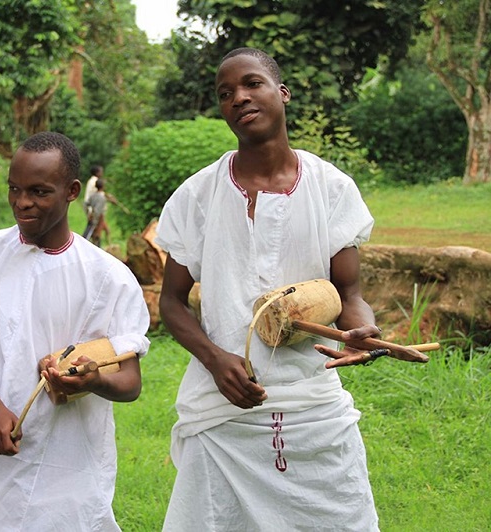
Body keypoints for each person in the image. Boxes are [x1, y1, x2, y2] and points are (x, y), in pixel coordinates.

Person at [155, 48, 428, 531]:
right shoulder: (197, 195)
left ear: (282, 93)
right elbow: (172, 302)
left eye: (252, 84)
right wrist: (216, 360)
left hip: (313, 406)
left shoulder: (331, 188)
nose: (239, 97)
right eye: (225, 93)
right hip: (223, 412)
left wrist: (362, 329)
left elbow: (349, 291)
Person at [0, 131, 150, 531]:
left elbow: (131, 382)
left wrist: (94, 378)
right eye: (14, 189)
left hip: (67, 462)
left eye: (38, 191)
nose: (22, 202)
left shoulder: (108, 278)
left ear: (72, 191)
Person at [82, 178, 108, 245]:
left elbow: (85, 204)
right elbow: (98, 211)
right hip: (97, 219)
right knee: (94, 235)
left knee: (89, 233)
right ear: (103, 186)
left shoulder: (93, 195)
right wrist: (96, 220)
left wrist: (88, 213)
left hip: (92, 217)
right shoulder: (102, 198)